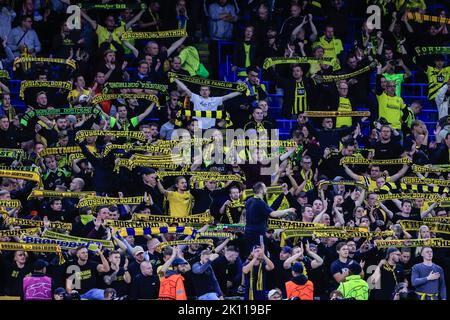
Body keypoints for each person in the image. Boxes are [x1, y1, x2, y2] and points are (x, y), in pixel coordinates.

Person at [244, 182, 296, 255]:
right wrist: (288, 210)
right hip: (258, 234)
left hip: (248, 232)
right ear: (261, 190)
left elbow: (270, 209)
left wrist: (282, 193)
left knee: (250, 254)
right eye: (265, 187)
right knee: (260, 255)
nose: (267, 189)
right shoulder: (260, 203)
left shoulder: (249, 200)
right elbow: (273, 214)